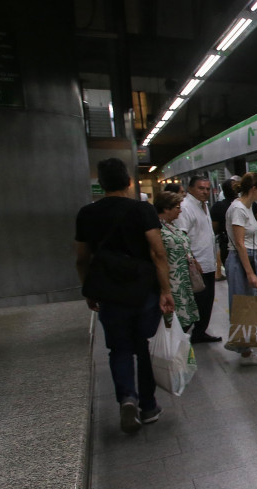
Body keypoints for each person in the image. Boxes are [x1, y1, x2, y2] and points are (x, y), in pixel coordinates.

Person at [75, 158, 175, 433]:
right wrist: (166, 290)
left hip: (109, 292)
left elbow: (82, 258)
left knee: (118, 349)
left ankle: (126, 398)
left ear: (102, 184)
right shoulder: (141, 210)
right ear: (129, 182)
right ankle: (149, 405)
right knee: (145, 348)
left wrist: (89, 289)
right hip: (143, 291)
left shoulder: (86, 214)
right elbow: (157, 252)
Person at [224, 172, 257, 366]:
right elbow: (239, 243)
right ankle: (244, 348)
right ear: (253, 189)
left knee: (256, 302)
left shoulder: (248, 206)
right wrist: (250, 272)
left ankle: (242, 344)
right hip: (241, 259)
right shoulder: (238, 209)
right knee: (244, 305)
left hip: (251, 258)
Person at [174, 175, 222, 343]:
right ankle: (181, 336)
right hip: (195, 265)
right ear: (190, 188)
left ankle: (200, 332)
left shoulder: (204, 206)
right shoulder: (185, 207)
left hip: (207, 264)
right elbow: (182, 236)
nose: (205, 192)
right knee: (196, 302)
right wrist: (192, 260)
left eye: (208, 189)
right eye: (201, 188)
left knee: (207, 302)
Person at [154, 191, 200, 331]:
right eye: (177, 208)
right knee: (173, 321)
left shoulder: (171, 226)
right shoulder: (157, 229)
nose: (180, 211)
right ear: (166, 208)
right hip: (171, 282)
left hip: (182, 281)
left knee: (184, 321)